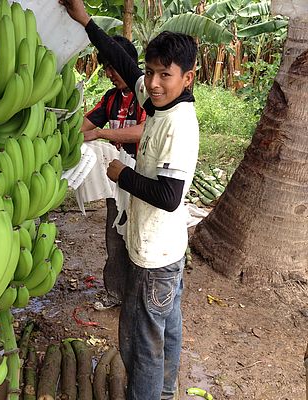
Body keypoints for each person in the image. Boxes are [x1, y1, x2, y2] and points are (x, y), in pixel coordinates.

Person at [60, 0, 199, 399]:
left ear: (187, 78)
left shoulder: (178, 126)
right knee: (166, 331)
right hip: (166, 250)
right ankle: (165, 394)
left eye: (165, 76)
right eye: (152, 73)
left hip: (153, 258)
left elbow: (169, 196)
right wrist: (85, 20)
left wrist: (123, 174)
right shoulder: (159, 103)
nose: (153, 83)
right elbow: (124, 61)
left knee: (141, 344)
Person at [81, 36, 146, 305]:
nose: (109, 74)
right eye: (106, 68)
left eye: (112, 67)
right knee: (115, 236)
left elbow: (145, 130)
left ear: (127, 63)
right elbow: (85, 125)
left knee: (141, 238)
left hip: (144, 178)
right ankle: (117, 293)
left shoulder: (147, 95)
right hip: (117, 178)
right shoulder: (111, 98)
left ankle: (141, 296)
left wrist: (102, 132)